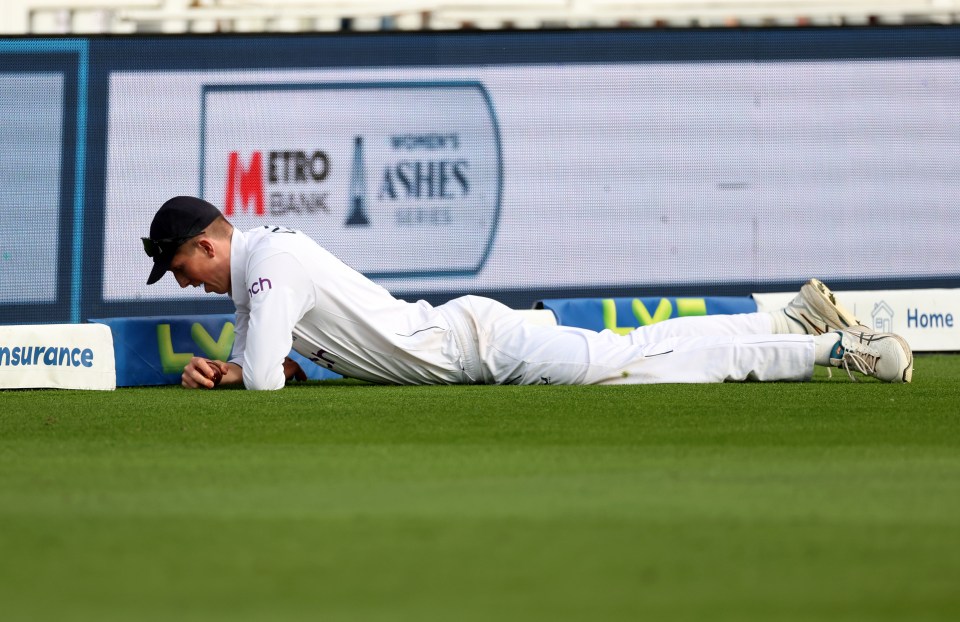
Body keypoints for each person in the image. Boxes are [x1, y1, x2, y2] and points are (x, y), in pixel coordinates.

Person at [142, 196, 913, 390]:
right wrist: (234, 369)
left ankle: (835, 347)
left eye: (181, 266)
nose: (182, 280)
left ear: (207, 244)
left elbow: (269, 377)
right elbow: (267, 365)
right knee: (641, 353)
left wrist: (247, 373)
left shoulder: (269, 267)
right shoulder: (253, 277)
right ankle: (785, 317)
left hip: (477, 346)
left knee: (649, 362)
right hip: (463, 342)